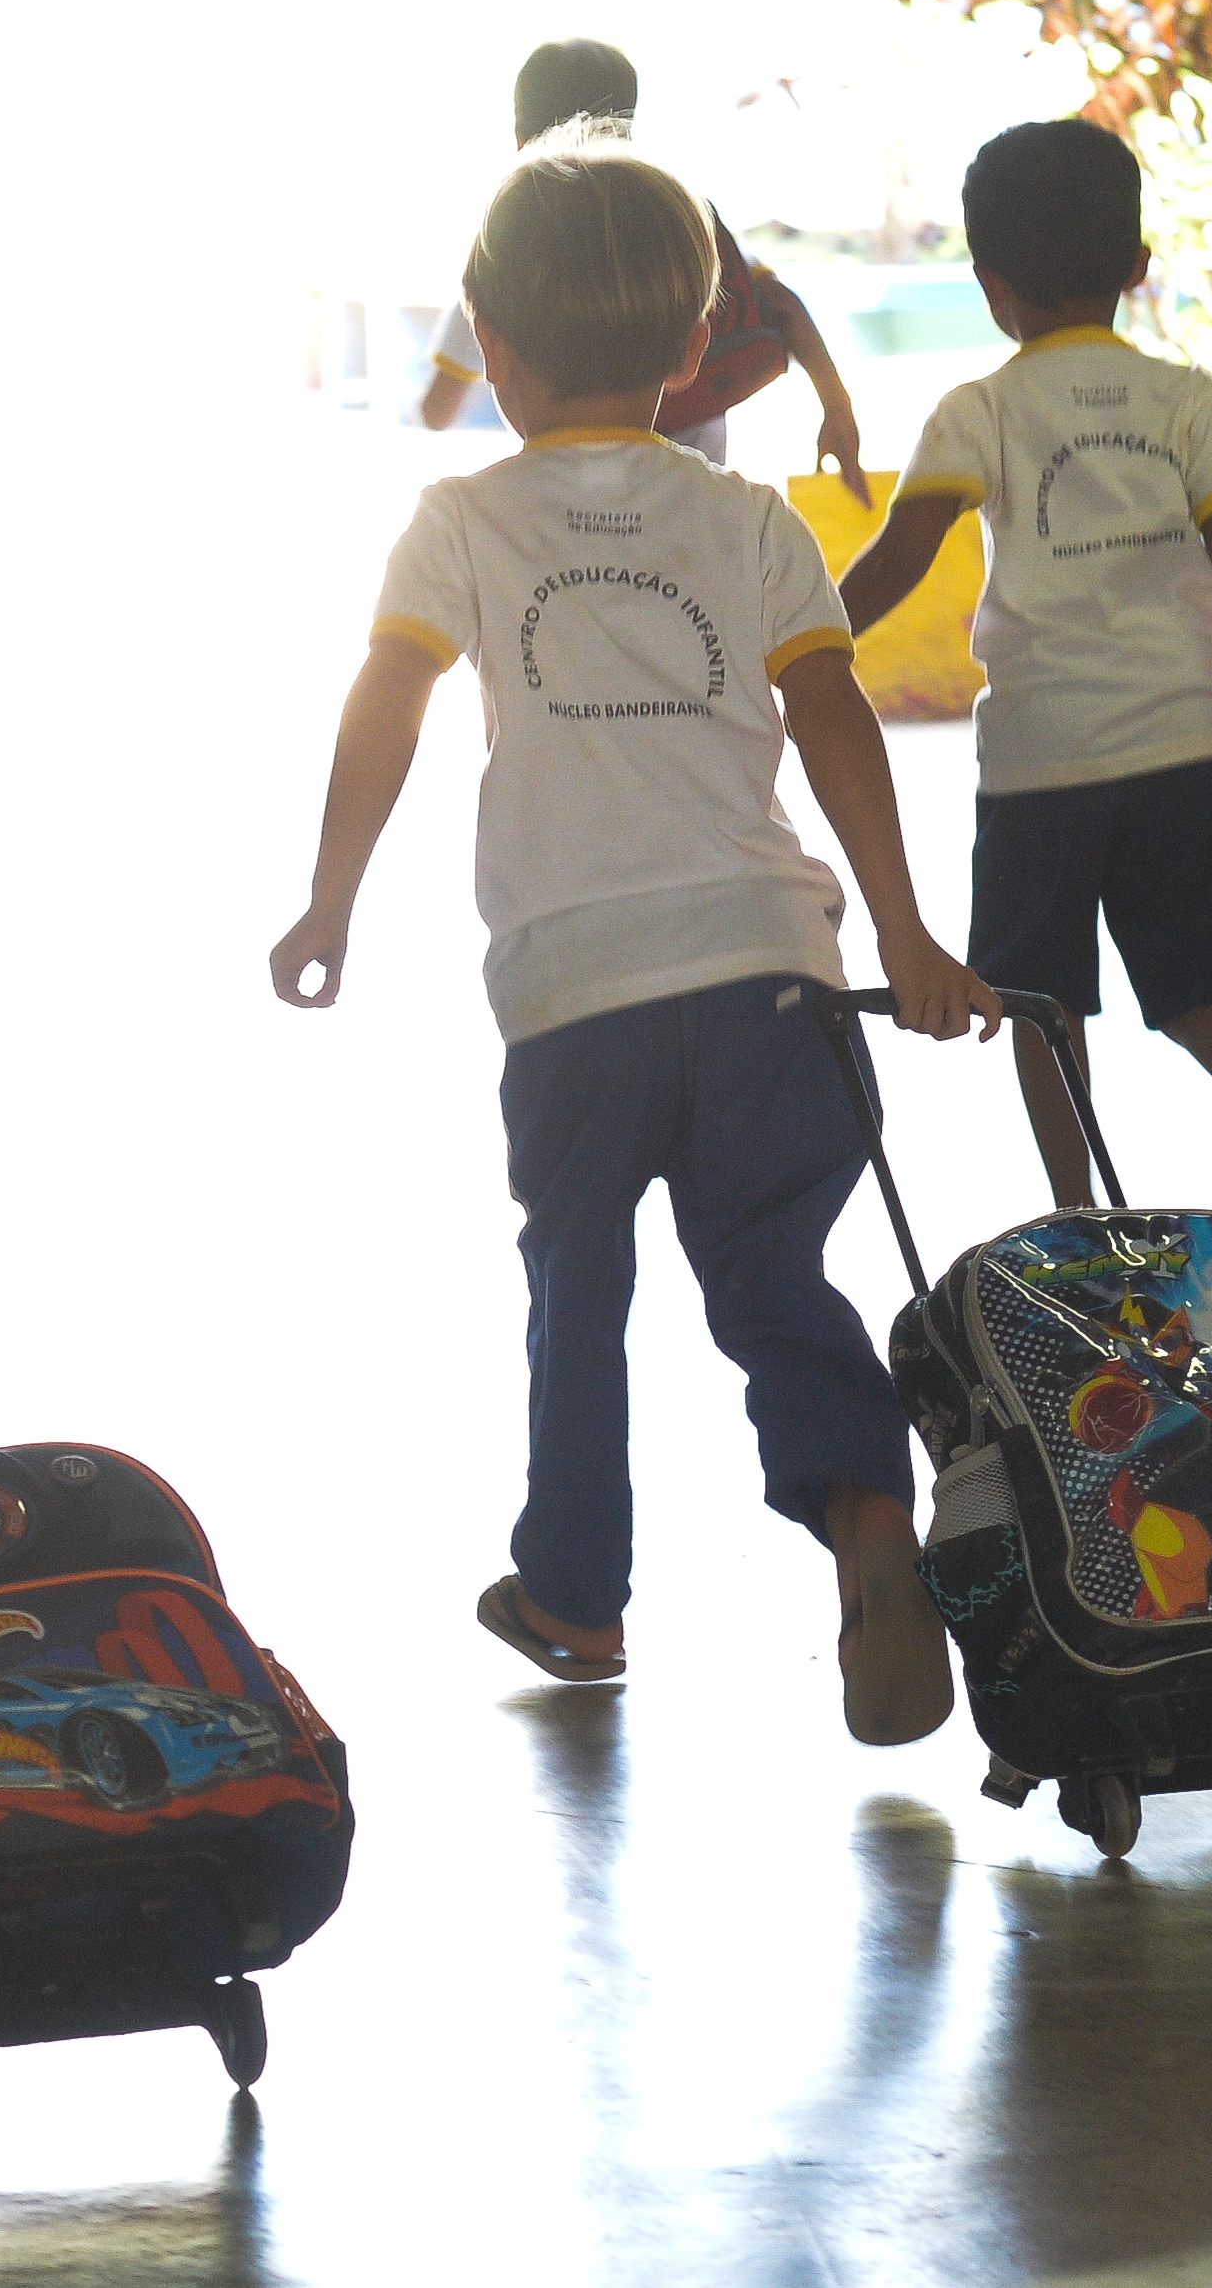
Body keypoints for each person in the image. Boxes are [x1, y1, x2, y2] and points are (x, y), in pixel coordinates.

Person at [268, 128, 998, 1741]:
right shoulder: (751, 525)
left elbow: (384, 703)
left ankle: (576, 1594)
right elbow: (836, 720)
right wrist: (909, 929)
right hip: (766, 967)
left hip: (575, 984)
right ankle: (867, 1511)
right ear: (692, 350)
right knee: (773, 1276)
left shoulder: (459, 520)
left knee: (576, 1290)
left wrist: (332, 896)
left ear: (493, 344)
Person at [837, 119, 1212, 1250]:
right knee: (1201, 969)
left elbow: (906, 548)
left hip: (1045, 753)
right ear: (1137, 267)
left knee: (1039, 995)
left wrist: (809, 639)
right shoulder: (1183, 398)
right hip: (1194, 734)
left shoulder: (980, 408)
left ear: (990, 284)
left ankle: (1079, 1212)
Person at [417, 39, 869, 500]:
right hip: (690, 499)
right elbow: (784, 308)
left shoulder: (510, 250)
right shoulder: (675, 225)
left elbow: (437, 411)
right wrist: (838, 409)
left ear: (519, 139)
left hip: (567, 501)